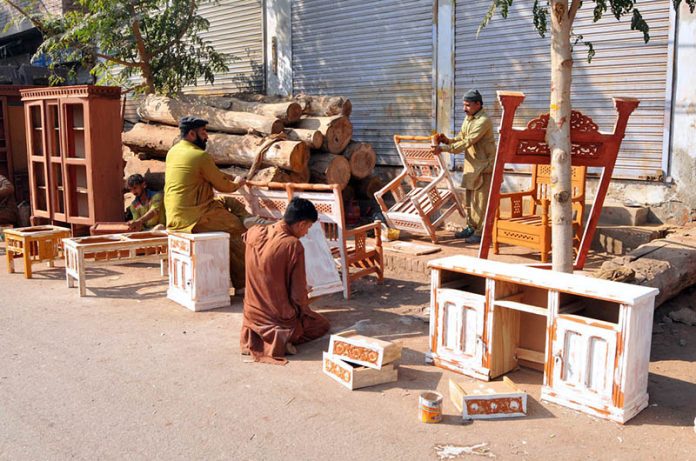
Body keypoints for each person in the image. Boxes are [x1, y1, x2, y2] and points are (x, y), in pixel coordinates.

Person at [240, 197, 330, 365]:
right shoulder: (293, 245)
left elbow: (245, 237)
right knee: (321, 324)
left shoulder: (255, 231)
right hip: (277, 318)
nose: (307, 232)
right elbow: (297, 296)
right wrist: (306, 294)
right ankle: (282, 340)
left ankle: (260, 338)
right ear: (301, 224)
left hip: (251, 315)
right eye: (308, 227)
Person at [164, 116, 250, 290]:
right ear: (191, 134)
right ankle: (244, 285)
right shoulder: (200, 156)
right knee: (236, 229)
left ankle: (248, 217)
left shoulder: (172, 152)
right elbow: (224, 185)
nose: (207, 137)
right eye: (203, 132)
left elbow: (209, 177)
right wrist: (238, 183)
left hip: (176, 214)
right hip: (194, 217)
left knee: (227, 202)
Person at [437, 89, 497, 244]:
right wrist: (447, 141)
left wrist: (443, 149)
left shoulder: (483, 121)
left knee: (481, 201)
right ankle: (471, 227)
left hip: (484, 166)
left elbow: (467, 142)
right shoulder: (469, 118)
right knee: (470, 200)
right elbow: (461, 137)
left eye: (468, 105)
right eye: (464, 105)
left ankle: (480, 232)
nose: (464, 108)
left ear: (478, 104)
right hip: (471, 166)